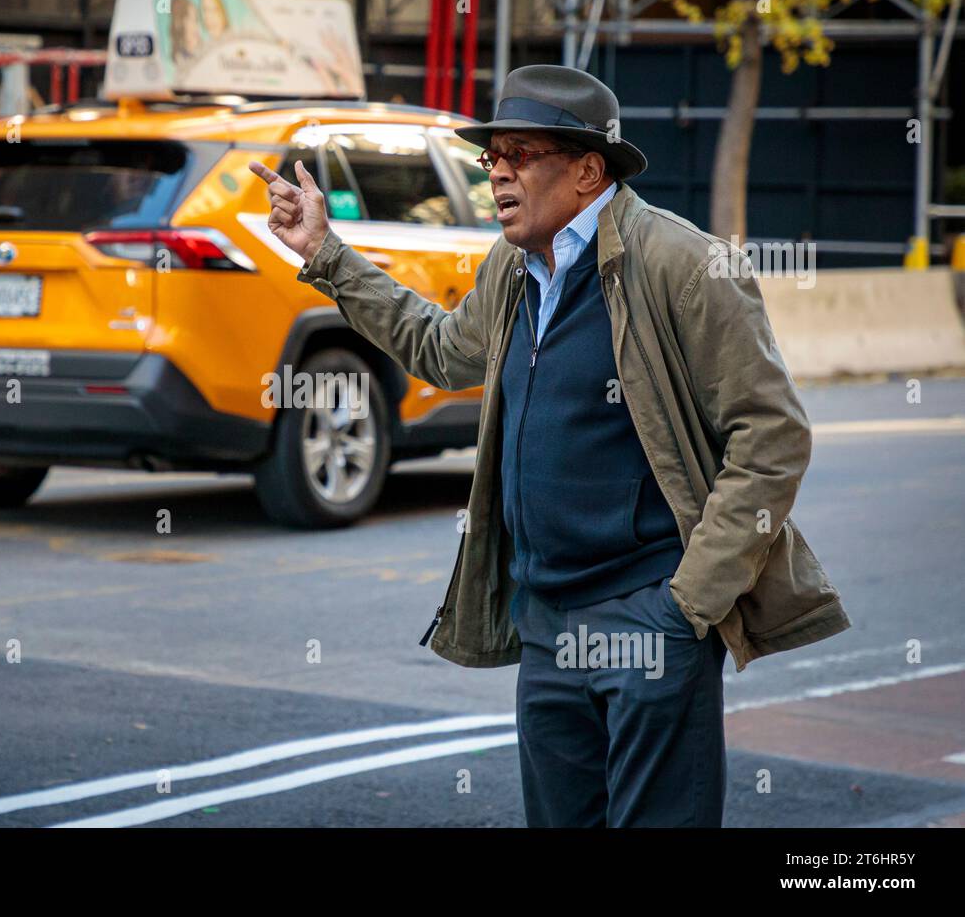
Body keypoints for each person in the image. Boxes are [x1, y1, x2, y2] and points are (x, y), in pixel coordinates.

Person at [249, 64, 850, 827]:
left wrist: (687, 603)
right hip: (549, 622)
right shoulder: (512, 268)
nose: (497, 172)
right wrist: (327, 254)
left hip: (649, 615)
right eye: (490, 157)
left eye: (520, 154)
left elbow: (771, 438)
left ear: (587, 169)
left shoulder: (682, 264)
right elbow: (439, 350)